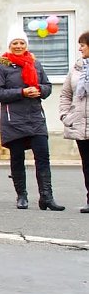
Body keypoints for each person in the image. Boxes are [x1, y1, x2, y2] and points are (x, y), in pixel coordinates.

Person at [0, 24, 64, 211]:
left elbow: (47, 86)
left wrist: (38, 90)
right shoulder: (2, 66)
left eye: (22, 42)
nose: (18, 46)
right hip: (13, 120)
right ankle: (21, 196)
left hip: (35, 118)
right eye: (15, 43)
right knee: (17, 159)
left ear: (26, 45)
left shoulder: (35, 64)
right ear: (10, 45)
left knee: (43, 157)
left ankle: (46, 197)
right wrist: (22, 92)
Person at [59, 30, 89, 213]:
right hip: (79, 123)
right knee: (87, 164)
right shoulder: (76, 69)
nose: (80, 48)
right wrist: (65, 115)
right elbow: (65, 94)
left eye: (83, 45)